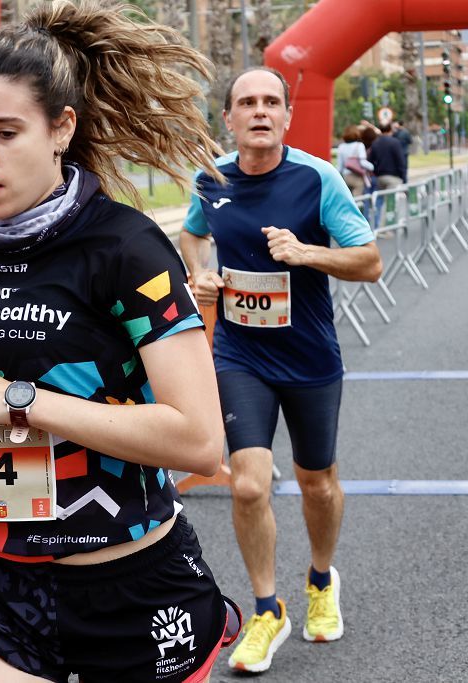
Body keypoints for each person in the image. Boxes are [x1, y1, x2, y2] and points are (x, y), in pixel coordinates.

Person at [0, 3, 239, 681]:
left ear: (61, 127)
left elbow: (198, 440)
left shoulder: (126, 248)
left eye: (5, 132)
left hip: (125, 584)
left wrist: (19, 400)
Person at [180, 67, 384, 674]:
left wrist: (305, 253)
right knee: (247, 482)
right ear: (229, 118)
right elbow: (193, 237)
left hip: (310, 357)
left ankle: (321, 579)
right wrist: (200, 272)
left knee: (317, 481)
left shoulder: (316, 177)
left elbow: (369, 261)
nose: (260, 111)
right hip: (241, 354)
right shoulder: (209, 178)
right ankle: (267, 609)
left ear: (287, 117)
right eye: (247, 102)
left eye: (272, 102)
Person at [367, 122, 407, 190]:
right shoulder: (395, 142)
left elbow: (370, 161)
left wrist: (376, 172)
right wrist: (403, 177)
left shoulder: (375, 143)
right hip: (393, 177)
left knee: (381, 199)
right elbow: (400, 161)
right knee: (391, 199)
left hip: (380, 177)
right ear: (390, 130)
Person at [336, 125, 372, 197]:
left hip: (345, 176)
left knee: (347, 199)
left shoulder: (341, 146)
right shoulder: (359, 145)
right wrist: (372, 166)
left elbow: (340, 166)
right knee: (357, 200)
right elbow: (363, 163)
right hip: (356, 176)